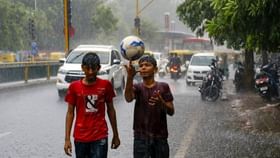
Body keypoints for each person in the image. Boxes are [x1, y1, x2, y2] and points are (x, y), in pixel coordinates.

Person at [64, 52, 120, 158]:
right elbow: (70, 113)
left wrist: (116, 135)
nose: (90, 72)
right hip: (80, 137)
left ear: (98, 68)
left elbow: (111, 110)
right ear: (82, 68)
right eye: (87, 69)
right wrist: (67, 139)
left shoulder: (106, 85)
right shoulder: (74, 87)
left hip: (100, 135)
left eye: (93, 69)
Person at [124, 55, 175, 158]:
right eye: (141, 65)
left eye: (147, 65)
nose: (143, 67)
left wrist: (162, 104)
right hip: (140, 137)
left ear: (155, 69)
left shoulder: (163, 87)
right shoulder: (137, 87)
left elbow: (171, 111)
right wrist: (130, 77)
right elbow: (128, 98)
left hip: (160, 137)